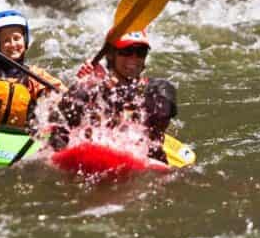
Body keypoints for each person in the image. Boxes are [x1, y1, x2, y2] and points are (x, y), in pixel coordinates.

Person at [49, 30, 178, 161]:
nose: (133, 58)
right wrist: (82, 84)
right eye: (127, 51)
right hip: (94, 165)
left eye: (141, 52)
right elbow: (59, 124)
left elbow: (162, 112)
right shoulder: (91, 88)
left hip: (144, 163)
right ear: (111, 55)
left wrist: (108, 85)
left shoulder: (160, 88)